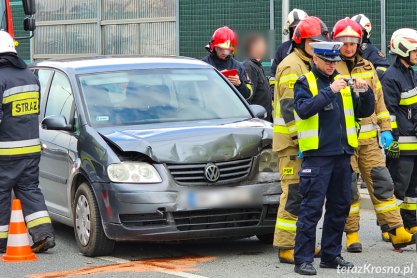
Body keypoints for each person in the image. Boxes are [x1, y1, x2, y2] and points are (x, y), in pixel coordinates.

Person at [333, 18, 415, 253]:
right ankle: (352, 234)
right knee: (348, 190)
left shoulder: (368, 67)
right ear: (336, 43)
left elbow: (380, 104)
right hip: (343, 141)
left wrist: (387, 130)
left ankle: (396, 229)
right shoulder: (330, 66)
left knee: (383, 183)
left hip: (369, 141)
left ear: (360, 43)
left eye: (353, 43)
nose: (348, 48)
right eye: (344, 43)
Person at [293, 41, 375, 275]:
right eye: (327, 61)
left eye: (334, 62)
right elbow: (304, 109)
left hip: (342, 155)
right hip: (317, 157)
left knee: (340, 207)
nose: (331, 66)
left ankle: (330, 255)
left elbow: (363, 112)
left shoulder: (343, 82)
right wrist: (330, 91)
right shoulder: (305, 82)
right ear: (316, 59)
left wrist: (366, 91)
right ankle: (303, 260)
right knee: (311, 209)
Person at [273, 16, 328, 264]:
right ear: (301, 41)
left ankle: (297, 243)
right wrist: (300, 140)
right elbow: (288, 108)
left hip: (303, 143)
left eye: (320, 40)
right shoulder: (291, 66)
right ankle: (286, 246)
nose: (317, 44)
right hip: (292, 144)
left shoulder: (307, 64)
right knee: (293, 193)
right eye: (312, 41)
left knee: (303, 195)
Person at [0, 31, 55, 253]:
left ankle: (2, 241)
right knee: (30, 190)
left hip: (5, 151)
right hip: (31, 148)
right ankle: (43, 234)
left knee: (1, 193)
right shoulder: (30, 76)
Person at [381, 28, 417, 238]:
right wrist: (391, 140)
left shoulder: (411, 74)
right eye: (415, 50)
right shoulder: (392, 77)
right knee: (397, 188)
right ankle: (390, 227)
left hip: (413, 143)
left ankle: (410, 223)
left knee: (412, 189)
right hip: (401, 144)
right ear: (404, 49)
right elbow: (389, 111)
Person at [202, 26, 253, 100]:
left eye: (227, 50)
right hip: (210, 108)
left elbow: (248, 95)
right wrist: (214, 78)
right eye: (220, 49)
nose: (224, 53)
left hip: (231, 109)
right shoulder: (204, 65)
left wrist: (239, 84)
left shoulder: (239, 67)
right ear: (214, 47)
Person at [243, 33, 273, 122]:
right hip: (257, 120)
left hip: (265, 119)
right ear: (253, 46)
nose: (265, 47)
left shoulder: (257, 66)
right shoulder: (249, 67)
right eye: (262, 44)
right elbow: (249, 95)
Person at [271, 9, 308, 77]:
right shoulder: (283, 48)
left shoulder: (312, 47)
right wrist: (273, 86)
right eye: (295, 27)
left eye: (300, 26)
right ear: (291, 29)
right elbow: (274, 72)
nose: (297, 30)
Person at [351, 14, 390, 78]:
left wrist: (368, 79)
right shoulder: (344, 49)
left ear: (366, 33)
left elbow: (384, 69)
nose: (355, 33)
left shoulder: (371, 50)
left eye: (358, 30)